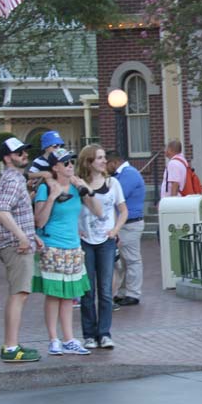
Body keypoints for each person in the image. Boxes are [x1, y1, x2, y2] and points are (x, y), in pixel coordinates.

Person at [32, 148, 99, 356]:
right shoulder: (46, 188)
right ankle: (54, 339)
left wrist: (87, 188)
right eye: (65, 163)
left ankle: (69, 338)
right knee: (54, 294)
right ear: (55, 167)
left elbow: (99, 211)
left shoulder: (76, 188)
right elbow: (39, 221)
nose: (70, 165)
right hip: (52, 245)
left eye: (71, 162)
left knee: (69, 294)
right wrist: (52, 197)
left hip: (73, 246)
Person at [0, 137, 42, 362]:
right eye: (19, 152)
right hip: (14, 244)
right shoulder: (12, 179)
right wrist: (21, 238)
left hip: (17, 241)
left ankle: (12, 344)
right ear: (7, 158)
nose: (24, 155)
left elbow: (15, 211)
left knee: (20, 293)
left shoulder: (15, 178)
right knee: (18, 293)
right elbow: (1, 210)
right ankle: (10, 347)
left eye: (24, 151)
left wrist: (32, 235)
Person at [77, 144, 128, 349]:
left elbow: (123, 210)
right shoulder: (79, 185)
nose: (104, 161)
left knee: (106, 290)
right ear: (89, 162)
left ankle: (104, 333)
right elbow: (71, 209)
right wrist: (75, 229)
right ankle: (89, 334)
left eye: (104, 157)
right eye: (99, 158)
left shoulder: (112, 183)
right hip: (86, 240)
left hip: (106, 241)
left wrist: (115, 230)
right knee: (87, 290)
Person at [107, 150, 146, 307]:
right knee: (123, 260)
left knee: (131, 259)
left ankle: (133, 294)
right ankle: (123, 292)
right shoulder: (121, 175)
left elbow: (116, 196)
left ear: (114, 162)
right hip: (125, 224)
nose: (105, 168)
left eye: (107, 164)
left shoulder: (129, 174)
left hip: (130, 224)